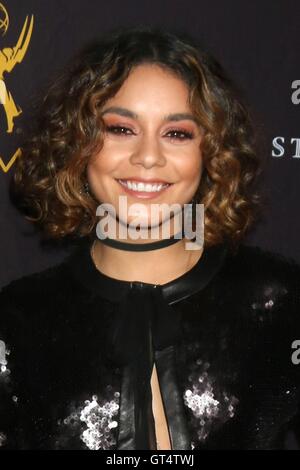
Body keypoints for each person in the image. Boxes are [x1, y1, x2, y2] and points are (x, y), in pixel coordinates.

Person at [0, 25, 300, 451]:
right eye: (121, 129)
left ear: (211, 151)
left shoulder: (283, 304)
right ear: (79, 142)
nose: (147, 157)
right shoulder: (16, 322)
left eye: (177, 133)